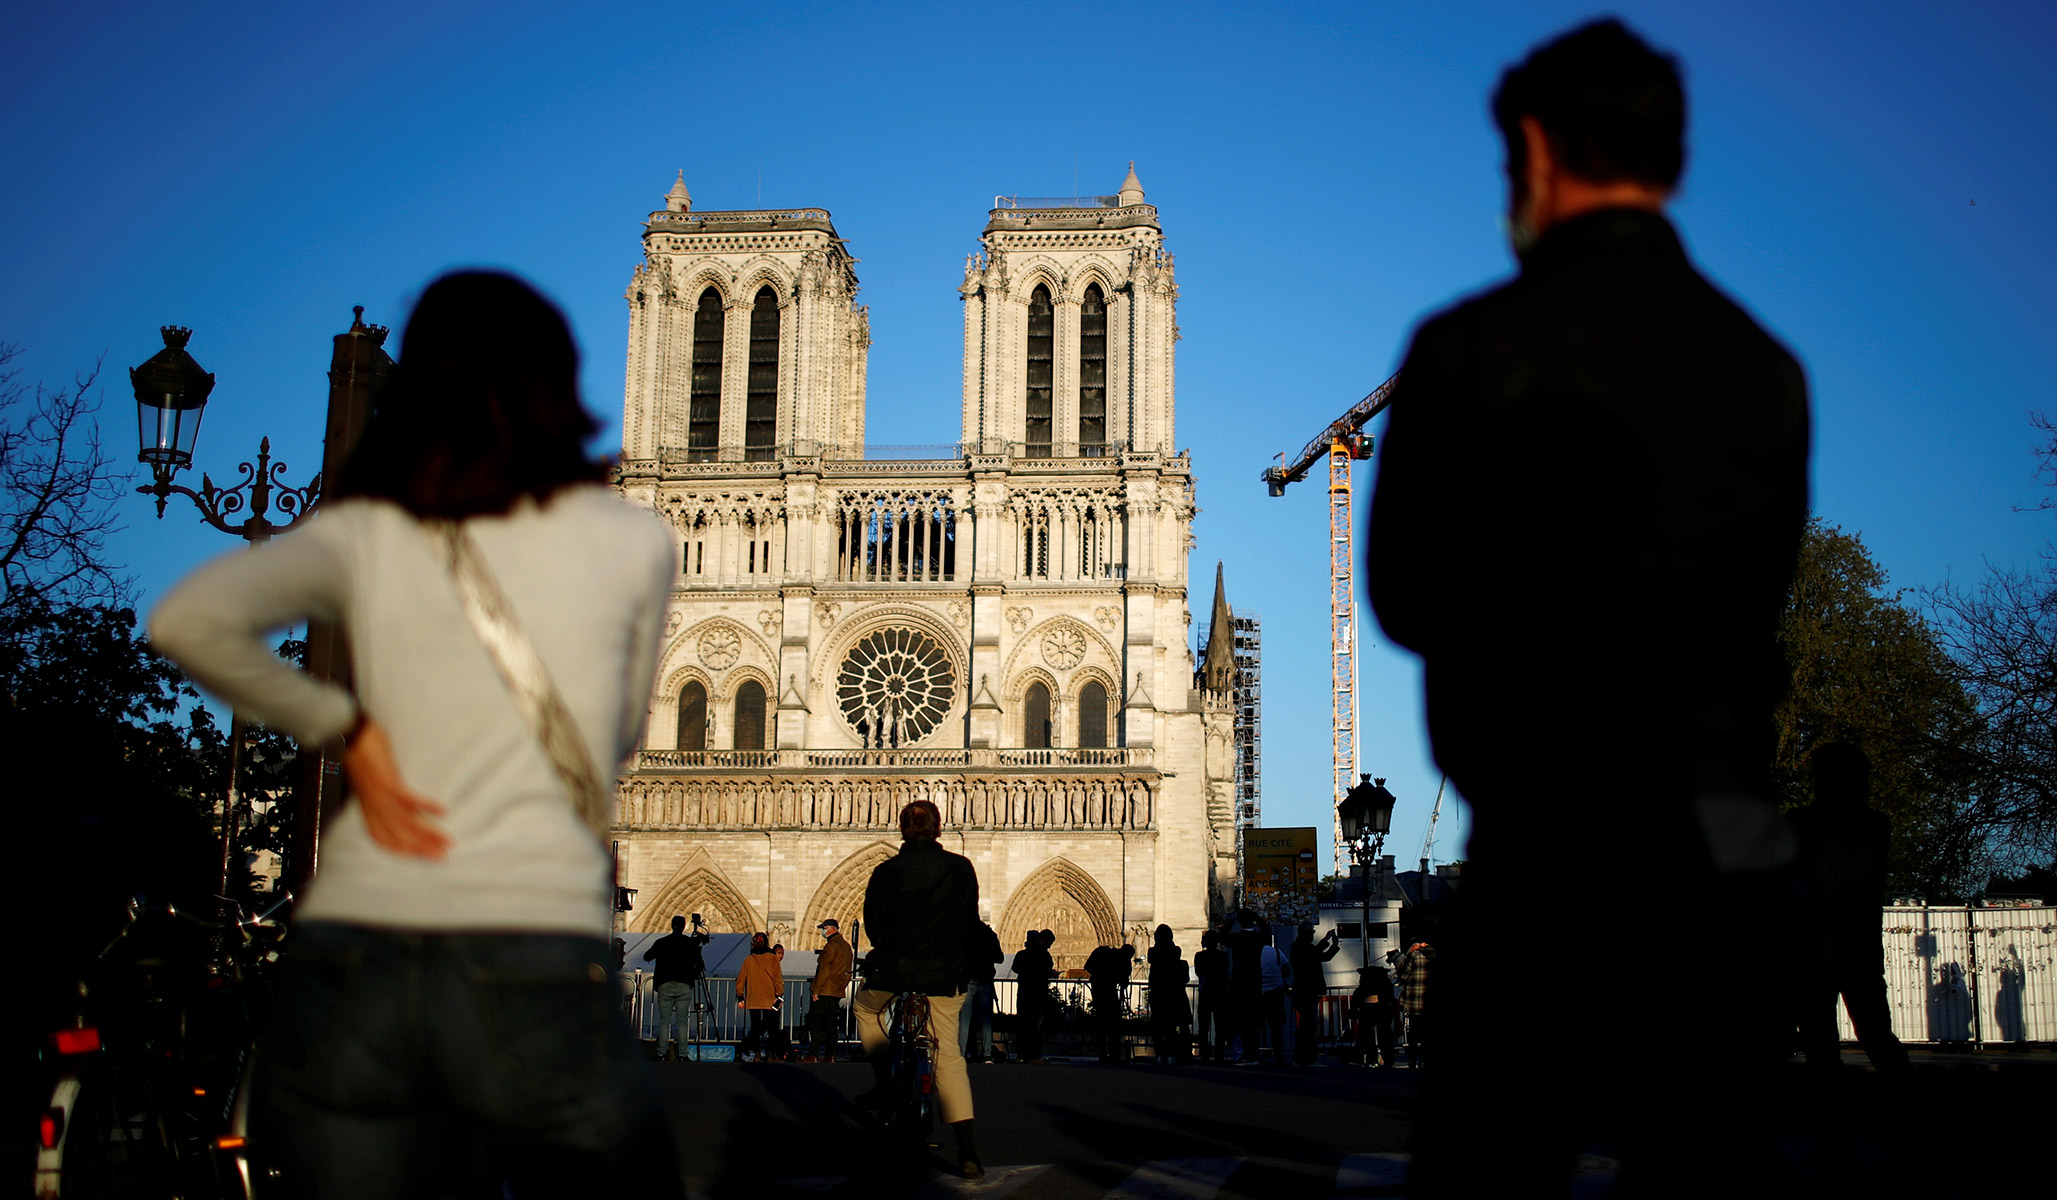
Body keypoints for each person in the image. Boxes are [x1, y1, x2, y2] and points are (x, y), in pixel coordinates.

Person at [1364, 19, 1811, 1194]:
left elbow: (1404, 597)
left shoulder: (1467, 351)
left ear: (1534, 149)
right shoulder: (1763, 368)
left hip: (1549, 846)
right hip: (1726, 846)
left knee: (1491, 1169)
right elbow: (1758, 594)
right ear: (1667, 158)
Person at [148, 270, 681, 1197]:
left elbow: (189, 621)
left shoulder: (369, 530)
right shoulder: (630, 542)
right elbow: (622, 732)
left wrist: (346, 727)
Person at [853, 800, 984, 1179]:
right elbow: (969, 919)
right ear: (938, 830)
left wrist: (891, 948)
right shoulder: (959, 868)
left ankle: (884, 1083)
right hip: (943, 974)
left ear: (902, 830)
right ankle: (969, 1151)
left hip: (893, 972)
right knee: (949, 1059)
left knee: (865, 1010)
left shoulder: (885, 871)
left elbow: (873, 925)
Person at [1791, 742, 1909, 1078]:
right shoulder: (1873, 826)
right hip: (1854, 948)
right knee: (1873, 1036)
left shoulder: (1804, 824)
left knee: (1823, 1044)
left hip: (1820, 949)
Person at [645, 913, 711, 1059]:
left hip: (665, 983)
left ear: (671, 925)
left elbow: (647, 956)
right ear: (683, 927)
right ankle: (682, 1054)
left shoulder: (661, 942)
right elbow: (699, 964)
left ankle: (661, 1052)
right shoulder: (690, 944)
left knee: (664, 1021)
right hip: (684, 984)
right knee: (682, 1021)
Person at [1289, 925, 1340, 1065]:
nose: (1312, 934)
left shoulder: (1298, 947)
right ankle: (1309, 1057)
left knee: (1306, 1026)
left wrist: (1331, 943)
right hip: (1308, 990)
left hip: (1303, 990)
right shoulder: (1302, 948)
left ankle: (1301, 1057)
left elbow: (1321, 955)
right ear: (1306, 933)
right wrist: (1328, 940)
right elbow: (1319, 955)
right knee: (1309, 1026)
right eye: (1311, 932)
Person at [805, 918, 854, 1062]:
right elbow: (848, 972)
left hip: (825, 990)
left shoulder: (831, 946)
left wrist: (816, 991)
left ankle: (813, 1054)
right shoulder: (846, 947)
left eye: (824, 928)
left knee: (815, 1022)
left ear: (832, 929)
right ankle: (830, 1055)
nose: (823, 931)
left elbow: (824, 970)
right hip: (836, 991)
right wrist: (841, 987)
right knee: (832, 1024)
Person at [1223, 910, 1267, 1065]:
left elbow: (1222, 935)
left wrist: (1231, 921)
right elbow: (1266, 930)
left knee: (1239, 1021)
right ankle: (1252, 1054)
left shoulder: (1237, 938)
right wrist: (1257, 916)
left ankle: (1240, 1054)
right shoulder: (1258, 938)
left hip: (1238, 982)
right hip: (1254, 982)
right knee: (1253, 1022)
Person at [960, 919, 1005, 1063]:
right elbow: (1000, 958)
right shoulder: (990, 935)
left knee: (964, 1020)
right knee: (985, 1020)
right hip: (985, 980)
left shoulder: (965, 934)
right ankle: (987, 1053)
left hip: (969, 980)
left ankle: (961, 1053)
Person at [1146, 924, 1193, 1064]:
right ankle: (1172, 1053)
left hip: (1158, 993)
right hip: (1173, 995)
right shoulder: (1176, 951)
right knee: (1172, 1026)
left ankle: (1160, 1054)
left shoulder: (1152, 952)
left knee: (1158, 1026)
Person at [1084, 942, 1136, 1063]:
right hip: (1109, 991)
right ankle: (1114, 1054)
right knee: (1114, 1023)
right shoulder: (1123, 959)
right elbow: (1124, 980)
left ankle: (1102, 1054)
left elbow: (1088, 967)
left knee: (1101, 1021)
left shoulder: (1102, 952)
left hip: (1097, 989)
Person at [736, 931, 783, 1063]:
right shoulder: (773, 958)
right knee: (773, 1027)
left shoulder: (749, 960)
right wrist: (779, 994)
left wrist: (740, 996)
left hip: (753, 999)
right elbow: (777, 978)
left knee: (755, 1027)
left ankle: (756, 1054)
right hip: (770, 998)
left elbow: (741, 980)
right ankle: (771, 1054)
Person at [1010, 929, 1055, 1064]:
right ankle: (1034, 1055)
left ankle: (1021, 1054)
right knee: (1035, 1026)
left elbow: (1015, 969)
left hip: (1023, 992)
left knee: (1023, 1024)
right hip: (1038, 994)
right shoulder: (1045, 956)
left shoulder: (1021, 954)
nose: (1050, 946)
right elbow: (1047, 971)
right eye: (1049, 943)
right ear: (1044, 940)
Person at [1351, 964, 1401, 1068]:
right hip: (1382, 1008)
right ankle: (1387, 1058)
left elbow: (1357, 996)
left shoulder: (1365, 983)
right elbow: (1390, 997)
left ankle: (1372, 1059)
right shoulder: (1385, 983)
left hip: (1367, 1008)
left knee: (1368, 1035)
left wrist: (1354, 1010)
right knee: (1385, 1034)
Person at [1394, 941, 1434, 1069]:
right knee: (1428, 1033)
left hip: (1415, 1000)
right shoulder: (1436, 955)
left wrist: (1408, 953)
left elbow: (1403, 974)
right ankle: (1426, 1060)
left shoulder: (1414, 955)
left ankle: (1412, 1060)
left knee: (1413, 1033)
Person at [1192, 929, 1230, 1062]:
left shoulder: (1199, 956)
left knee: (1203, 1027)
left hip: (1205, 992)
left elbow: (1198, 972)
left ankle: (1204, 1055)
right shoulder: (1224, 956)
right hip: (1220, 993)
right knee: (1220, 1027)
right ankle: (1219, 1055)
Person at [1256, 925, 1292, 1064]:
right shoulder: (1277, 952)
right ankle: (1279, 1054)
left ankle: (1258, 1053)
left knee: (1258, 1025)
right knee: (1277, 1027)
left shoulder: (1255, 953)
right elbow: (1287, 971)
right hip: (1276, 992)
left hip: (1260, 992)